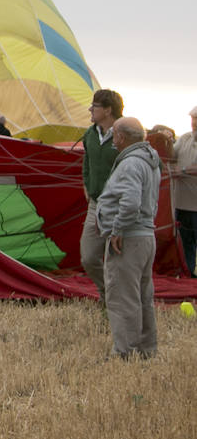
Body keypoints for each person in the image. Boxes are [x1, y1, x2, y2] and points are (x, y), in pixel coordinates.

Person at [95, 116, 161, 358]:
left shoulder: (130, 164)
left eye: (114, 135)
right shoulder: (150, 160)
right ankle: (146, 350)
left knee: (122, 296)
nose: (113, 140)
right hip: (145, 236)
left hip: (129, 239)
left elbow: (131, 202)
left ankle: (124, 353)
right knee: (143, 297)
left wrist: (117, 230)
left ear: (121, 137)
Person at [79, 88, 123, 306]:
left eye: (95, 106)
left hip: (119, 206)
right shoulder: (90, 134)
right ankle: (106, 291)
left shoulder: (125, 133)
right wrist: (87, 184)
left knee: (116, 259)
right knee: (88, 257)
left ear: (107, 110)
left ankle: (113, 301)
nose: (90, 110)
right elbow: (86, 161)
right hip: (96, 204)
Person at [173, 106, 197, 277]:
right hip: (182, 203)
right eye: (193, 119)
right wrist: (163, 140)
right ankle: (190, 278)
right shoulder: (184, 139)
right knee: (186, 244)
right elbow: (169, 157)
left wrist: (181, 171)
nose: (194, 123)